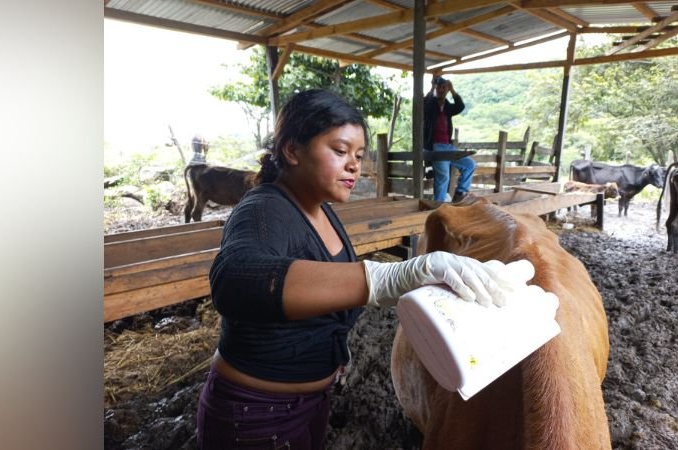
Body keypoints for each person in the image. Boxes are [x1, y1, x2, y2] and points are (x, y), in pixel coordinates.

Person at [196, 89, 517, 449]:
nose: (354, 165)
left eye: (359, 155)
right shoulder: (264, 209)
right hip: (255, 416)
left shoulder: (320, 208)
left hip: (312, 403)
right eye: (339, 150)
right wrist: (383, 278)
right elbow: (236, 280)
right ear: (292, 150)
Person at [423, 76, 476, 203]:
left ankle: (460, 193)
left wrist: (453, 90)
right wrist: (432, 88)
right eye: (439, 87)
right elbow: (423, 104)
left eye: (444, 88)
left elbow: (460, 106)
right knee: (443, 177)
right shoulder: (431, 105)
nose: (441, 90)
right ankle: (439, 205)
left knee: (469, 164)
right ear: (436, 88)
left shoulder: (447, 106)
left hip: (448, 146)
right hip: (435, 147)